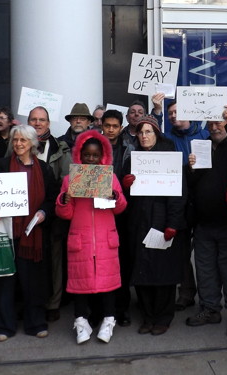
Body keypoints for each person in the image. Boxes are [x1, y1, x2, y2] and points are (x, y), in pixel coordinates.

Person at [55, 130, 127, 344]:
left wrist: (115, 196)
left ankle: (108, 320)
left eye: (95, 155)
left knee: (108, 284)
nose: (91, 159)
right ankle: (81, 321)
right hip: (82, 240)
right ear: (80, 155)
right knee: (79, 284)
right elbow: (65, 214)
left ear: (102, 156)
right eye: (87, 155)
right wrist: (64, 199)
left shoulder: (110, 178)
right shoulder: (70, 179)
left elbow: (120, 208)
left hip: (105, 240)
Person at [0, 125, 58, 342]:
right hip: (6, 232)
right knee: (5, 282)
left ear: (32, 144)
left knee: (33, 282)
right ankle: (3, 325)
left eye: (23, 141)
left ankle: (35, 323)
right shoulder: (1, 165)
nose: (18, 144)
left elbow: (51, 198)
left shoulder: (44, 169)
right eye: (15, 140)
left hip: (33, 234)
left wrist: (43, 213)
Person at [185, 105, 227, 337]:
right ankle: (210, 308)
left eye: (218, 122)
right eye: (210, 123)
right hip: (203, 223)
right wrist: (190, 170)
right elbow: (192, 185)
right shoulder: (201, 148)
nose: (214, 127)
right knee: (206, 270)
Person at [121, 115, 187, 336]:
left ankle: (163, 317)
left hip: (161, 222)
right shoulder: (132, 160)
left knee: (162, 273)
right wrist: (126, 185)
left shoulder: (170, 158)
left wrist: (173, 224)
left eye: (148, 131)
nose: (144, 136)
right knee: (141, 270)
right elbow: (123, 198)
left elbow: (179, 195)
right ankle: (147, 316)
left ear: (156, 134)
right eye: (140, 132)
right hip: (138, 223)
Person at [27, 106, 72, 323]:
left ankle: (53, 303)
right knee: (29, 258)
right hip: (24, 212)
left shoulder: (60, 148)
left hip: (52, 212)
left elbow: (66, 179)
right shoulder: (18, 144)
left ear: (48, 123)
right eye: (34, 119)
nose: (37, 123)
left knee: (54, 260)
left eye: (41, 120)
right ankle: (30, 302)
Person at [164, 99, 209, 311]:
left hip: (201, 199)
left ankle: (210, 294)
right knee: (181, 251)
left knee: (204, 252)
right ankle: (187, 292)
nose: (173, 116)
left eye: (177, 111)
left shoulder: (205, 134)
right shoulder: (167, 138)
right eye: (170, 113)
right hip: (179, 201)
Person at [100, 109, 135, 327]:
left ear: (120, 127)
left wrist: (128, 184)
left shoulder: (129, 149)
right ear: (101, 125)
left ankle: (121, 309)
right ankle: (102, 308)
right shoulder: (91, 147)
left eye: (115, 126)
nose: (111, 129)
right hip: (98, 213)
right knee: (102, 261)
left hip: (121, 212)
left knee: (122, 261)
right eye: (107, 125)